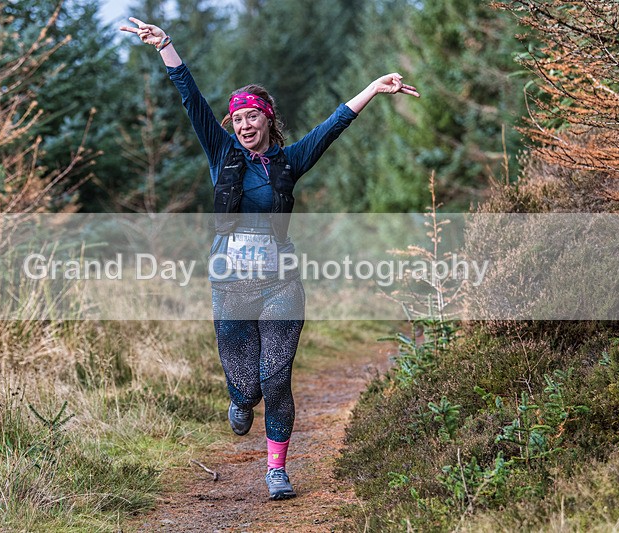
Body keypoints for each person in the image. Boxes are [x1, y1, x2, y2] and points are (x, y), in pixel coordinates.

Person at [121, 17, 419, 501]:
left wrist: (373, 88)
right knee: (247, 385)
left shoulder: (289, 161)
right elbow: (190, 100)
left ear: (267, 119)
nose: (243, 125)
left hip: (281, 283)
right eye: (237, 119)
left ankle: (276, 470)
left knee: (276, 377)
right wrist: (165, 47)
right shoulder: (221, 154)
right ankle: (240, 398)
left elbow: (333, 126)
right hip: (230, 285)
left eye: (252, 117)